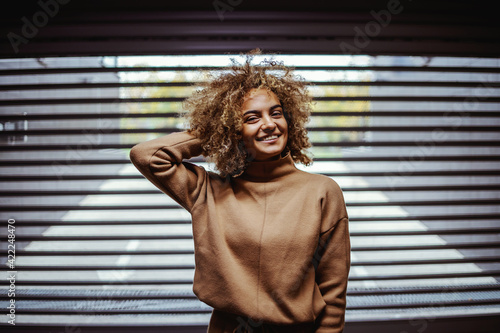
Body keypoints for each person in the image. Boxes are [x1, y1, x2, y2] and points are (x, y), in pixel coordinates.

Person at [129, 51, 350, 333]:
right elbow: (146, 156)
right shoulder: (207, 191)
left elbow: (333, 289)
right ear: (233, 129)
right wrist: (214, 131)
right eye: (251, 118)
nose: (269, 124)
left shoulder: (323, 191)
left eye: (276, 113)